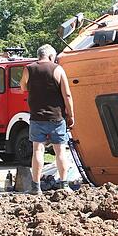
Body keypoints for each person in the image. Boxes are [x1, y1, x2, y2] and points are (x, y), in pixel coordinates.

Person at [21, 44, 75, 194]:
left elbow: (23, 87)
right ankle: (64, 184)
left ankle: (35, 187)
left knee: (38, 150)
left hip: (36, 117)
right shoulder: (58, 69)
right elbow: (67, 95)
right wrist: (71, 115)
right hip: (56, 117)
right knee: (60, 152)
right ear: (51, 56)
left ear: (39, 55)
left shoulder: (28, 69)